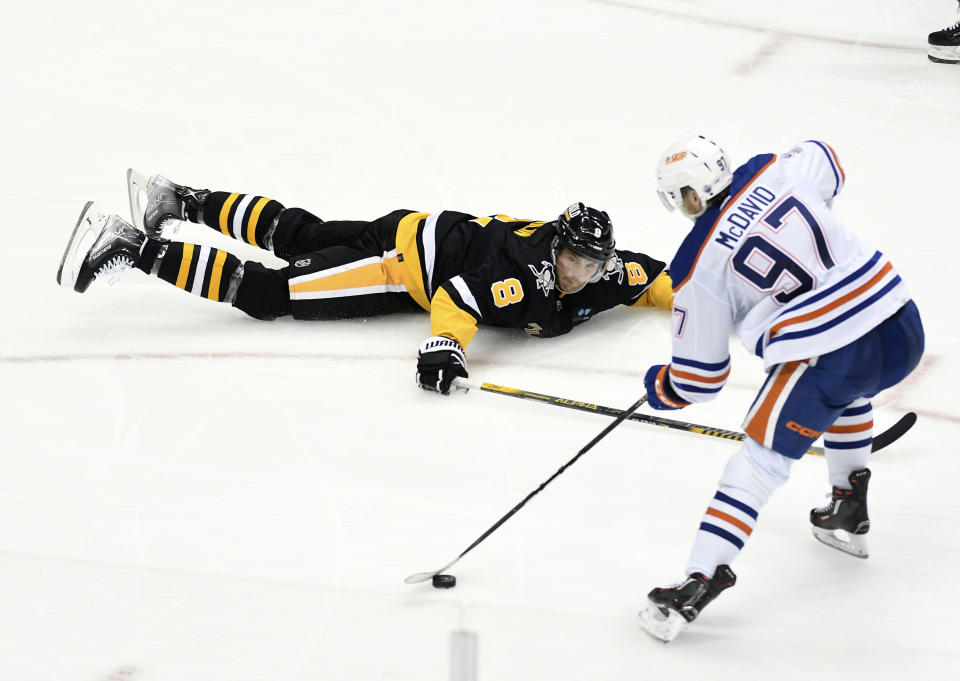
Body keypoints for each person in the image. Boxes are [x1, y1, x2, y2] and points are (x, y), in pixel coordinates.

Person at [636, 136, 924, 642]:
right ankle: (847, 506)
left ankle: (699, 580)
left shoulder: (695, 265)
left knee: (755, 464)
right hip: (900, 322)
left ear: (689, 196)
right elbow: (828, 157)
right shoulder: (773, 167)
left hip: (829, 356)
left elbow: (700, 380)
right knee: (851, 394)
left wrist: (663, 386)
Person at [57, 173, 674, 393]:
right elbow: (458, 297)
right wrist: (446, 347)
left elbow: (664, 279)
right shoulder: (523, 273)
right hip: (401, 267)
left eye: (593, 266)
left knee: (302, 235)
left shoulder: (606, 273)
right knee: (275, 294)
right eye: (574, 261)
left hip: (416, 225)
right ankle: (134, 248)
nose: (583, 275)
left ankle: (178, 198)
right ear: (557, 248)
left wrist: (727, 295)